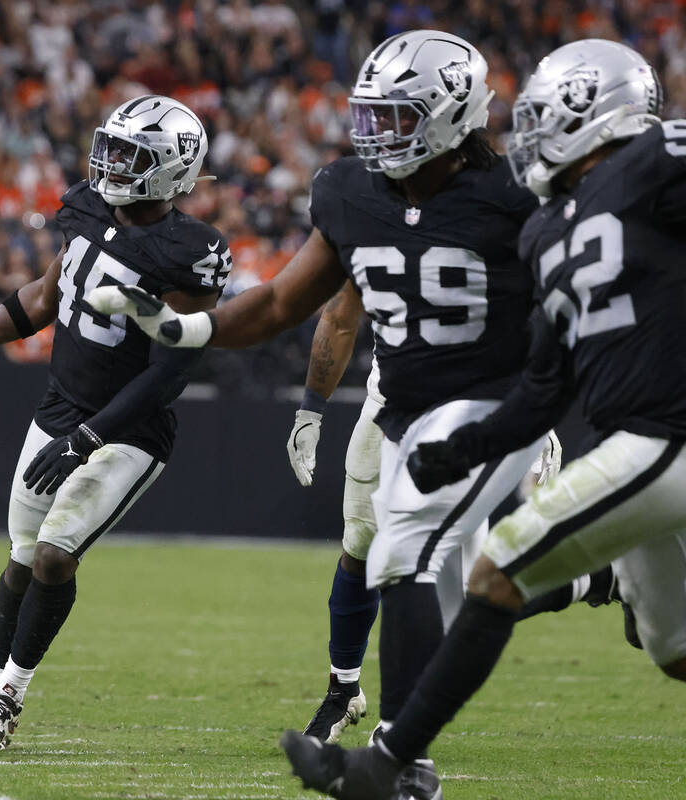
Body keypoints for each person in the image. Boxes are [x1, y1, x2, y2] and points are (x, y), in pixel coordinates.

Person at [91, 31, 556, 796]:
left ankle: (401, 767)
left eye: (399, 117)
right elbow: (280, 301)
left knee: (403, 549)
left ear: (454, 116)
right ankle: (589, 585)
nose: (378, 134)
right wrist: (184, 328)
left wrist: (544, 411)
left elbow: (568, 307)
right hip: (405, 408)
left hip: (493, 404)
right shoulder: (349, 191)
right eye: (371, 115)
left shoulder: (516, 199)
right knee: (434, 571)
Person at [278, 39, 686, 800]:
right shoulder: (544, 228)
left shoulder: (652, 165)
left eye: (542, 120)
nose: (521, 139)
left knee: (479, 569)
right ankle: (601, 585)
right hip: (616, 435)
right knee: (671, 650)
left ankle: (391, 765)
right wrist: (467, 444)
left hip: (666, 435)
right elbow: (543, 384)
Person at [0, 95, 228, 751]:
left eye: (131, 154)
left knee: (53, 556)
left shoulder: (189, 251)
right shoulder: (88, 208)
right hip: (58, 408)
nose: (111, 162)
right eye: (112, 146)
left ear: (170, 167)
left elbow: (171, 371)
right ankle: (0, 687)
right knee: (21, 560)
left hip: (127, 429)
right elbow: (45, 297)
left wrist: (89, 439)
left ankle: (5, 698)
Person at [290, 288, 616, 744]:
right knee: (360, 546)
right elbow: (341, 312)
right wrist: (311, 407)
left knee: (461, 603)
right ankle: (343, 690)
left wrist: (540, 411)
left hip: (468, 406)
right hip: (388, 401)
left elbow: (531, 307)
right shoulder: (364, 215)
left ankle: (596, 578)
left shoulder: (492, 217)